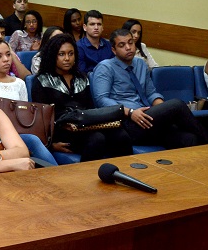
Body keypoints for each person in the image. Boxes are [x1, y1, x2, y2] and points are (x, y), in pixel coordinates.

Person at [92, 29, 208, 149]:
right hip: (127, 123)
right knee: (177, 105)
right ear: (114, 50)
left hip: (149, 119)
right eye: (122, 45)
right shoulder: (105, 67)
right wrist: (130, 112)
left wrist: (164, 110)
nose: (128, 48)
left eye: (130, 43)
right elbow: (101, 100)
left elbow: (150, 94)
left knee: (189, 138)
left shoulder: (140, 64)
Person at [32, 33, 133, 161]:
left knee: (121, 136)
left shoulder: (81, 78)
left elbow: (90, 107)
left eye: (71, 54)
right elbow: (40, 119)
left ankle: (121, 170)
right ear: (53, 56)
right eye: (61, 54)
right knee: (97, 139)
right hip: (61, 130)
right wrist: (50, 144)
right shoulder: (42, 80)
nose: (67, 58)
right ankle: (86, 173)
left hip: (86, 124)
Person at [76, 10, 112, 74]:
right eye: (92, 24)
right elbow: (82, 73)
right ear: (85, 27)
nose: (96, 27)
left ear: (102, 27)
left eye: (99, 24)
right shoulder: (79, 47)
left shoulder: (109, 45)